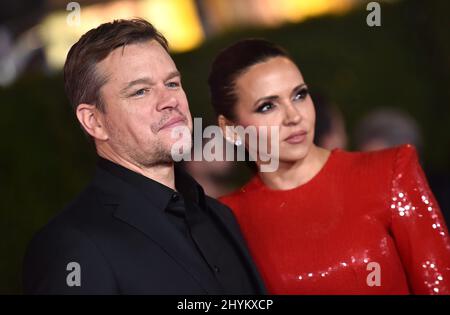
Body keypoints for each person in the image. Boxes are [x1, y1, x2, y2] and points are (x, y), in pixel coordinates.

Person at [22, 19, 266, 295]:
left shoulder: (220, 216)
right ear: (94, 121)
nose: (169, 100)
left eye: (172, 83)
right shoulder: (71, 246)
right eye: (140, 91)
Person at [208, 38, 450, 294]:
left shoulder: (389, 171)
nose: (294, 116)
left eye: (299, 95)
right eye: (267, 106)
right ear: (231, 130)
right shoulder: (227, 218)